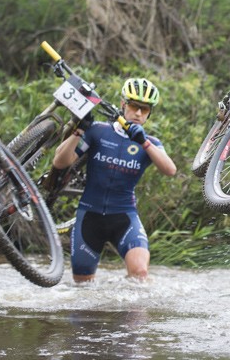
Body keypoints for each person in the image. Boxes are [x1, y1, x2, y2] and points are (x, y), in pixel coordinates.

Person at [53, 77, 177, 283]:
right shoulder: (98, 131)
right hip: (89, 218)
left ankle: (132, 315)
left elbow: (170, 170)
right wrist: (79, 130)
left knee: (140, 274)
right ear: (123, 104)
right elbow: (60, 162)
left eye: (144, 110)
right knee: (83, 288)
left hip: (124, 217)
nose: (138, 113)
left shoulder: (151, 143)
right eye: (134, 106)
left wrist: (143, 142)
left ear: (149, 113)